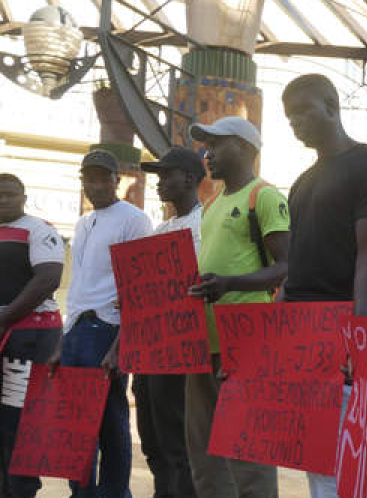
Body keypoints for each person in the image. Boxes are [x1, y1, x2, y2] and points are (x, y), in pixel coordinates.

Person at [278, 73, 367, 497]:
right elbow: (294, 268)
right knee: (315, 459)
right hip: (302, 335)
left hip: (339, 332)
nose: (295, 124)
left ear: (331, 104)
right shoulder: (301, 182)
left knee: (346, 464)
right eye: (289, 118)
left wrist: (359, 337)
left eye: (303, 112)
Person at [186, 118, 288, 498]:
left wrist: (229, 285)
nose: (207, 154)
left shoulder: (263, 196)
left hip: (244, 343)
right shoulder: (211, 204)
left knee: (249, 454)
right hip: (203, 342)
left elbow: (286, 266)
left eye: (216, 145)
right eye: (205, 146)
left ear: (245, 148)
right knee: (204, 455)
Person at [51, 149, 153, 497]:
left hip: (107, 328)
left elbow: (139, 289)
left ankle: (114, 494)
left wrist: (119, 346)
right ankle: (80, 493)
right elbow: (79, 284)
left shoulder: (135, 219)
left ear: (117, 180)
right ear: (82, 183)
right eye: (88, 178)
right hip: (78, 330)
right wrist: (63, 339)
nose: (95, 184)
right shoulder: (82, 223)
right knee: (75, 424)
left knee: (110, 423)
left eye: (102, 177)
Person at [135, 148, 204, 498]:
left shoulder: (205, 224)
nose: (159, 183)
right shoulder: (161, 229)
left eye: (166, 175)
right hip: (149, 346)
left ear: (189, 179)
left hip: (180, 348)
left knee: (178, 442)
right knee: (152, 439)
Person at [0, 173, 64, 498]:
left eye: (10, 194)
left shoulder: (39, 230)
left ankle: (22, 491)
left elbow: (48, 278)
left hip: (27, 341)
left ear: (24, 197)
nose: (3, 200)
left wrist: (6, 316)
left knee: (20, 423)